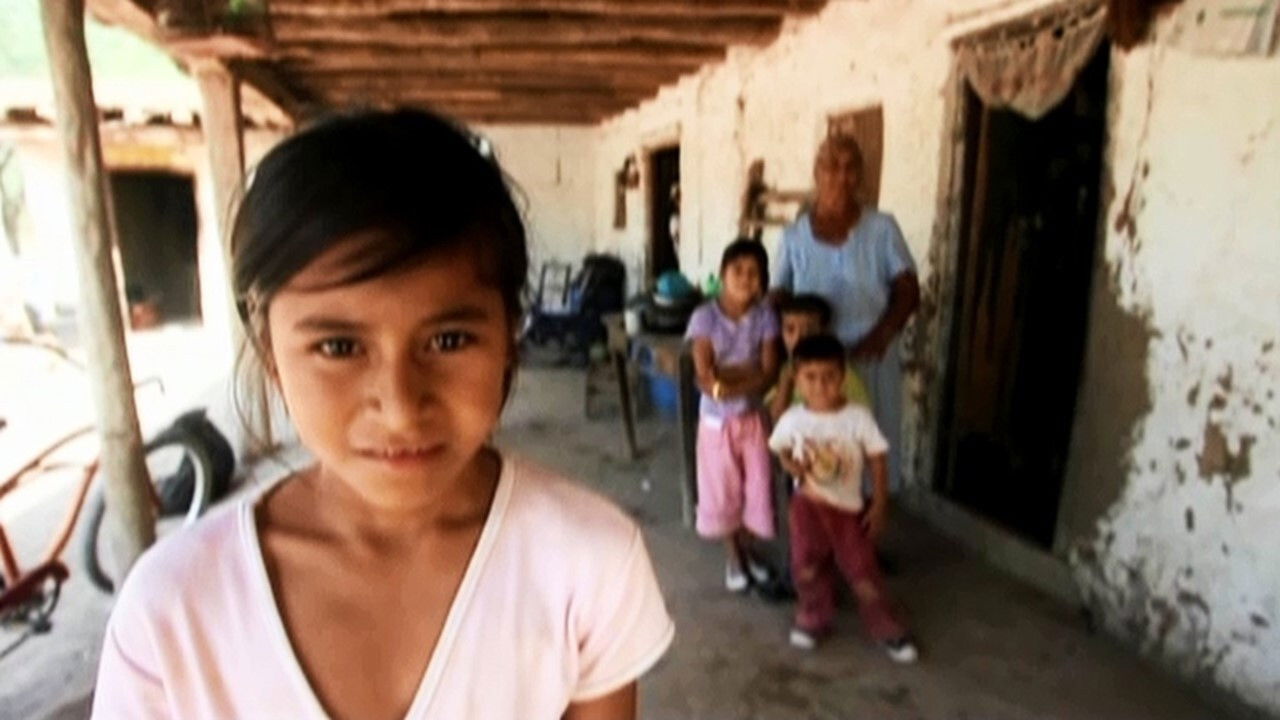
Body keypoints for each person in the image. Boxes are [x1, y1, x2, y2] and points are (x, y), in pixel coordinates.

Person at [91, 110, 673, 720]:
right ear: (270, 356)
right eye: (339, 347)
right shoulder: (173, 610)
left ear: (509, 338)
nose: (399, 409)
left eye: (448, 340)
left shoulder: (590, 565)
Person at [772, 134, 920, 493]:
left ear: (861, 176)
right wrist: (785, 349)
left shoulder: (882, 228)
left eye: (851, 166)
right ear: (816, 173)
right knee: (818, 452)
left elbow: (908, 290)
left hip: (871, 360)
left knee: (869, 450)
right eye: (831, 165)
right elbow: (777, 296)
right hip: (816, 367)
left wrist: (881, 336)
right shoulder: (794, 237)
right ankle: (820, 539)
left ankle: (864, 537)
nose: (841, 175)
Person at [767, 334, 917, 661]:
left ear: (843, 376)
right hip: (806, 507)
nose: (821, 385)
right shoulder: (793, 418)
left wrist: (879, 503)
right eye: (811, 377)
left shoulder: (857, 417)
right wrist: (791, 463)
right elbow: (780, 451)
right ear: (797, 378)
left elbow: (877, 458)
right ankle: (812, 616)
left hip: (848, 509)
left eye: (830, 376)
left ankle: (884, 624)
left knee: (861, 567)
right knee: (805, 565)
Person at [685, 239, 780, 593]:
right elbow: (707, 379)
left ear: (763, 280)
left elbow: (770, 371)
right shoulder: (704, 317)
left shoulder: (766, 316)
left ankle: (750, 551)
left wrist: (730, 378)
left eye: (754, 273)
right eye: (737, 270)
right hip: (716, 425)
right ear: (722, 274)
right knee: (723, 492)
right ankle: (734, 558)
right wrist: (744, 375)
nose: (745, 278)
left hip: (754, 421)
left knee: (756, 489)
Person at [767, 293, 869, 424]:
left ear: (824, 331)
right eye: (790, 329)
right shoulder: (785, 369)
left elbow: (860, 419)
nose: (798, 338)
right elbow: (776, 419)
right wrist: (787, 381)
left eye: (808, 330)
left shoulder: (842, 373)